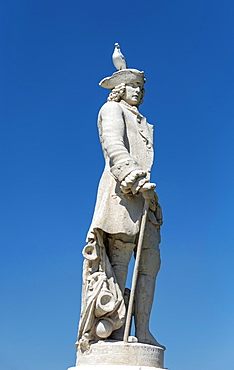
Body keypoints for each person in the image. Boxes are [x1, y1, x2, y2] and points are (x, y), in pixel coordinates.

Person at [77, 68, 163, 352]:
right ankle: (115, 327)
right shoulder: (111, 110)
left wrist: (148, 191)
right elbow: (114, 147)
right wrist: (135, 180)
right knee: (120, 261)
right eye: (132, 86)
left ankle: (144, 330)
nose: (137, 90)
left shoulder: (142, 120)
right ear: (121, 89)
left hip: (145, 198)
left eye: (141, 86)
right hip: (122, 192)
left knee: (150, 264)